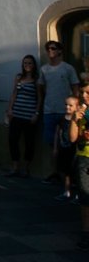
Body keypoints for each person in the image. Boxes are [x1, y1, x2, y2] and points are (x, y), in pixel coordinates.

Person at [39, 40, 79, 182]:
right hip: (49, 110)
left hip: (65, 111)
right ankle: (55, 172)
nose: (50, 51)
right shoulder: (44, 69)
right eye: (48, 49)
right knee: (51, 143)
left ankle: (69, 175)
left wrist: (76, 107)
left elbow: (75, 87)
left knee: (67, 143)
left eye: (53, 48)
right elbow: (42, 89)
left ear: (60, 51)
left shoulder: (68, 68)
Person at [4, 55, 40, 177]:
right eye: (25, 63)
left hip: (29, 115)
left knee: (29, 142)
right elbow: (14, 93)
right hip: (16, 114)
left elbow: (39, 98)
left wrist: (36, 113)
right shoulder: (19, 78)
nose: (27, 65)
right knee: (12, 140)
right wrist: (9, 109)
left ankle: (27, 167)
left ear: (34, 65)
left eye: (30, 63)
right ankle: (15, 166)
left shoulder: (36, 80)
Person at [68, 81, 89, 250]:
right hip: (84, 158)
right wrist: (75, 120)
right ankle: (86, 233)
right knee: (85, 198)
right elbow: (73, 138)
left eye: (88, 93)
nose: (84, 96)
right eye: (83, 93)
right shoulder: (80, 113)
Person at [54, 95, 79, 200]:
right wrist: (55, 148)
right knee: (64, 171)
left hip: (74, 150)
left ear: (76, 107)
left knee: (76, 172)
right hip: (63, 148)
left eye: (70, 105)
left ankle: (78, 194)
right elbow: (57, 133)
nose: (67, 107)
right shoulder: (61, 119)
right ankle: (66, 191)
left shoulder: (78, 119)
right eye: (66, 105)